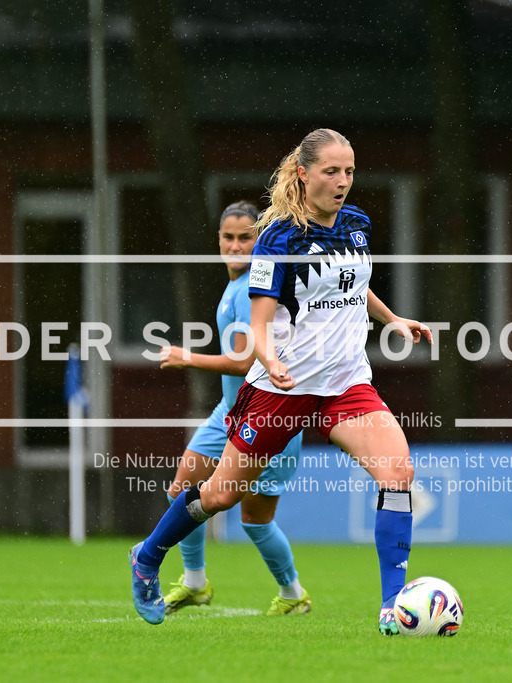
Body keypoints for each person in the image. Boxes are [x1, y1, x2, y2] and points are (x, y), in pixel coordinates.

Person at [127, 128, 432, 634]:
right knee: (222, 497)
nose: (342, 182)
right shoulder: (278, 238)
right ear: (303, 173)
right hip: (280, 389)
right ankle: (148, 556)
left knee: (397, 475)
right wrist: (269, 361)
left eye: (349, 171)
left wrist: (393, 319)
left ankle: (392, 606)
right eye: (331, 171)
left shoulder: (357, 223)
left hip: (346, 384)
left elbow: (354, 284)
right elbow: (261, 324)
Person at [156, 200, 309, 616]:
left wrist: (186, 357)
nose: (237, 246)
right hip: (228, 411)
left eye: (246, 238)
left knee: (254, 520)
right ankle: (195, 582)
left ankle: (293, 594)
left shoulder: (252, 290)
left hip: (266, 415)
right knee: (182, 492)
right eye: (229, 237)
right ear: (219, 240)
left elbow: (244, 362)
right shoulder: (235, 286)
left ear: (259, 241)